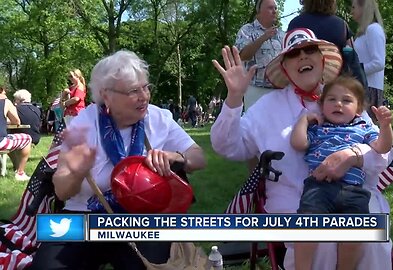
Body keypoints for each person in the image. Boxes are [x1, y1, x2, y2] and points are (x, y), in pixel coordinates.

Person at [211, 28, 393, 270]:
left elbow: (383, 152)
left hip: (353, 192)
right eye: (294, 54)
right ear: (285, 67)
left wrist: (353, 155)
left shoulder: (344, 98)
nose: (303, 57)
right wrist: (234, 98)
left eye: (310, 50)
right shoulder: (267, 107)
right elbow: (227, 146)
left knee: (372, 237)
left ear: (322, 60)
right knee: (320, 241)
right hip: (293, 198)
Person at [30, 50, 206, 270]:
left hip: (142, 218)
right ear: (107, 95)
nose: (144, 96)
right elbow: (62, 193)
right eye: (133, 91)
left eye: (145, 87)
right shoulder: (82, 124)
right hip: (84, 214)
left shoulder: (159, 118)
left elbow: (198, 157)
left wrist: (177, 157)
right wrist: (76, 172)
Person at [291, 76, 393, 270]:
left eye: (346, 100)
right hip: (319, 187)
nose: (338, 104)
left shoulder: (363, 129)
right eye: (332, 99)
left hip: (353, 190)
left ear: (358, 109)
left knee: (356, 233)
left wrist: (385, 126)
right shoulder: (318, 128)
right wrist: (304, 120)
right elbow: (298, 143)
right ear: (321, 105)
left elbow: (382, 147)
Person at [235, 0, 284, 110]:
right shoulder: (247, 30)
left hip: (279, 90)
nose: (274, 11)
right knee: (256, 126)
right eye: (270, 8)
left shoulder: (281, 34)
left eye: (275, 8)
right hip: (255, 89)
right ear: (259, 12)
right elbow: (243, 55)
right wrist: (263, 37)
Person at [351, 0, 386, 121]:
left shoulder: (373, 29)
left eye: (354, 7)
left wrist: (355, 71)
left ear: (363, 8)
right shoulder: (364, 32)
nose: (351, 11)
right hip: (363, 86)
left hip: (369, 88)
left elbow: (379, 63)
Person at [0, 86, 32, 181]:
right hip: (1, 141)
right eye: (4, 93)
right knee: (27, 138)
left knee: (10, 140)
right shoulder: (6, 102)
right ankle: (20, 173)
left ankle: (15, 167)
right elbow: (17, 121)